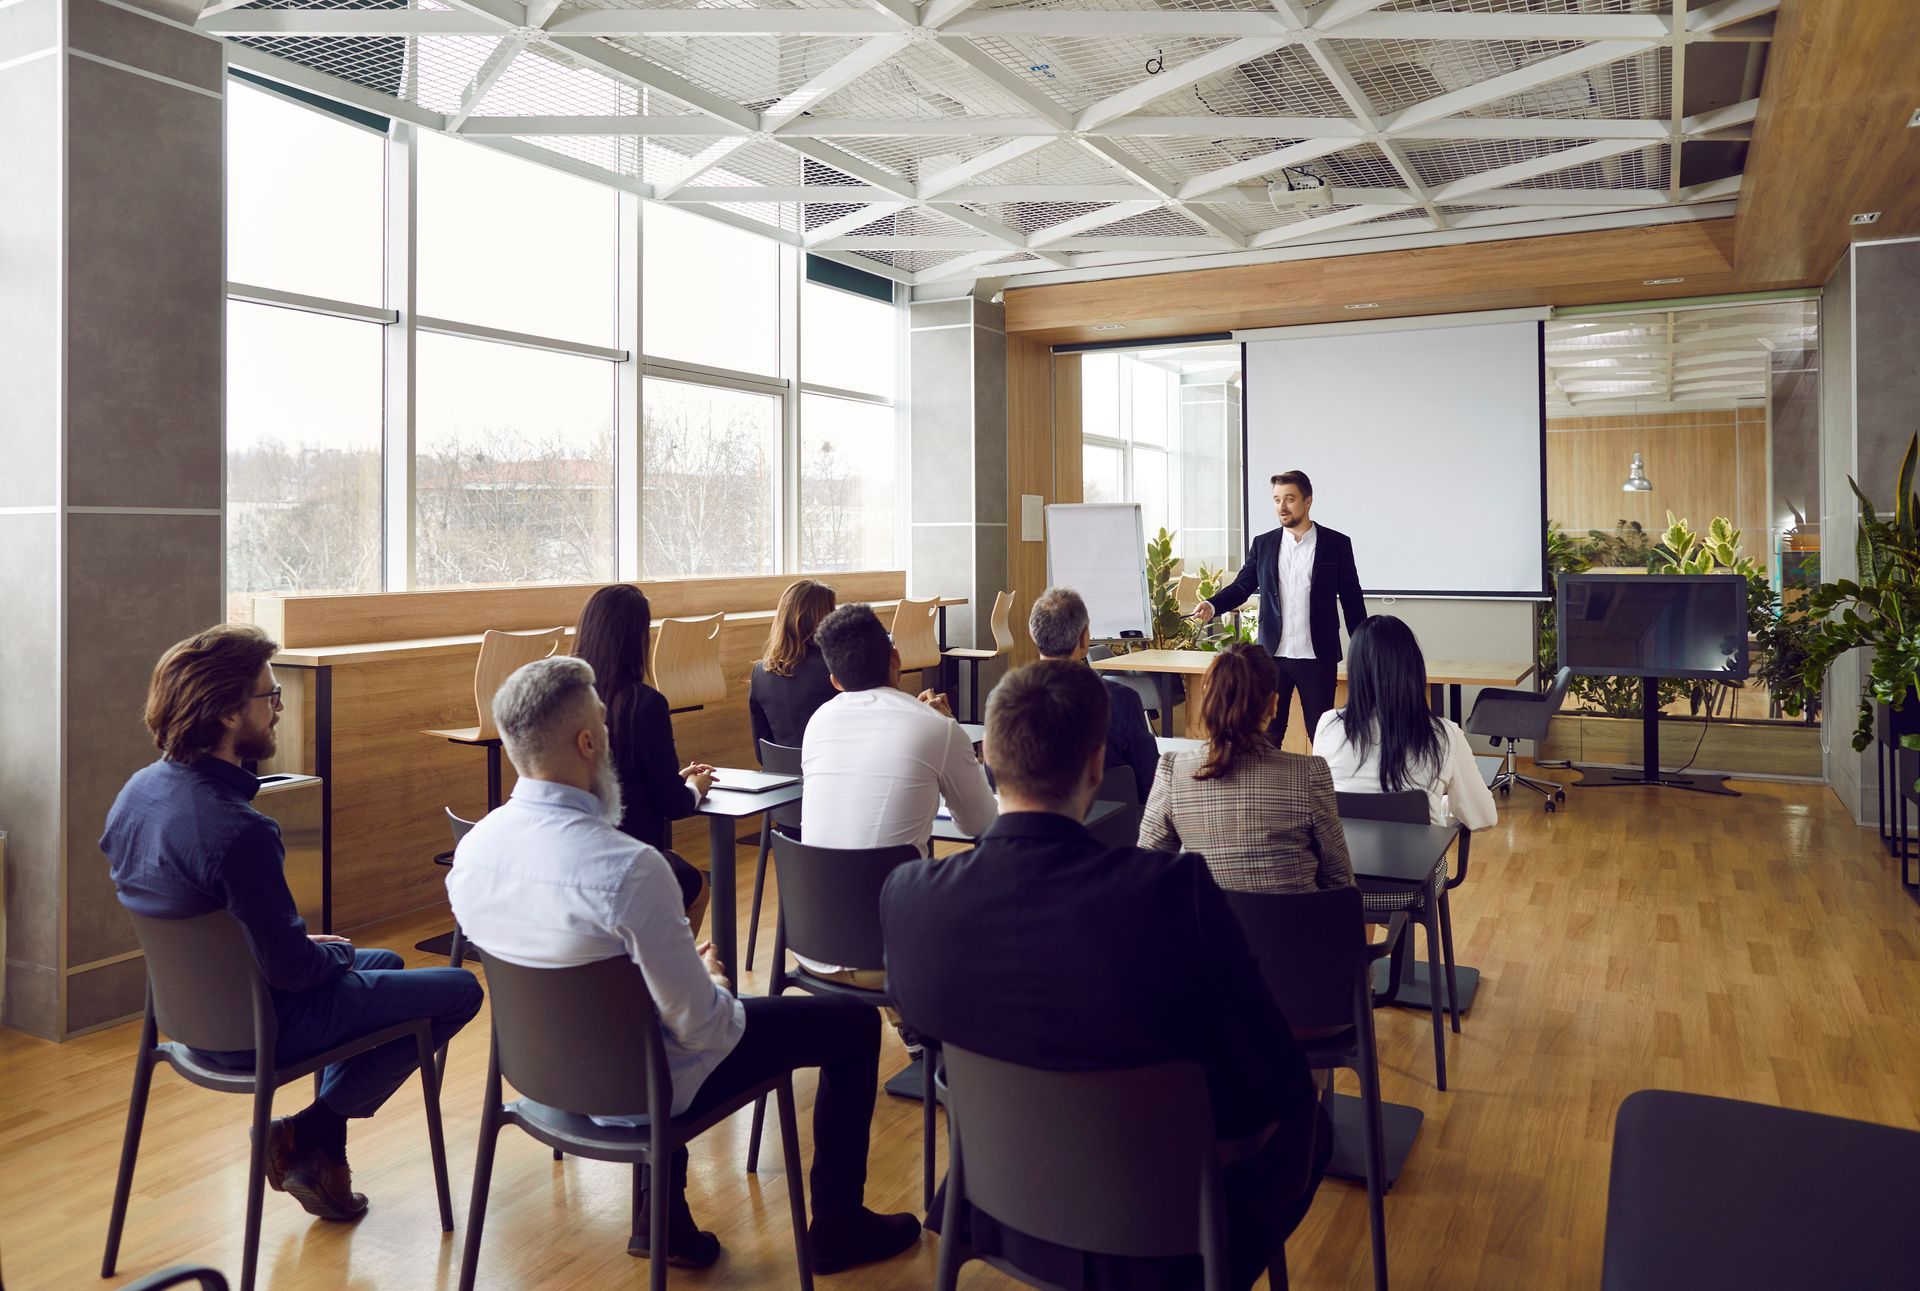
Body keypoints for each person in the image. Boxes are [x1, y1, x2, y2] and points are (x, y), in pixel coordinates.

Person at [447, 656, 920, 1273]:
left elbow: (573, 969)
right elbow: (707, 1031)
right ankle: (838, 1226)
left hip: (539, 1082)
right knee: (851, 1026)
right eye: (605, 733)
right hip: (641, 1087)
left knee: (651, 1011)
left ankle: (663, 1222)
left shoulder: (473, 852)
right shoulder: (628, 869)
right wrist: (712, 983)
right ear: (588, 742)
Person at [881, 660, 1329, 1291]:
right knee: (1312, 1124)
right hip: (1162, 1233)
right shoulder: (1174, 897)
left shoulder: (909, 897)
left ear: (986, 761)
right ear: (1097, 765)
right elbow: (1280, 1076)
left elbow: (925, 1027)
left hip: (1000, 1205)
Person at [100, 624, 483, 1222]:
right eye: (270, 696)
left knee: (381, 962)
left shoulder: (137, 794)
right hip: (259, 1030)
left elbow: (222, 933)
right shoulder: (239, 830)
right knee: (459, 990)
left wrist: (316, 950)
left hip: (184, 1024)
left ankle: (319, 1158)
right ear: (228, 712)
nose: (278, 711)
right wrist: (325, 951)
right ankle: (307, 1129)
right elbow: (294, 969)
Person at [1138, 642, 1352, 894]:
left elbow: (1146, 874)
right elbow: (1340, 882)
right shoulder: (1309, 774)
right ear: (1273, 705)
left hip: (1209, 931)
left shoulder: (1174, 772)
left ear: (1209, 701)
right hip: (1295, 931)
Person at [801, 602, 997, 859]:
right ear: (896, 657)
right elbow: (980, 823)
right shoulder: (937, 728)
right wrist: (947, 726)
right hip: (895, 895)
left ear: (835, 682)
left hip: (811, 894)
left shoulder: (818, 722)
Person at [573, 584, 714, 934]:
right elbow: (674, 805)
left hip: (575, 864)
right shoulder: (643, 703)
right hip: (630, 867)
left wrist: (673, 776)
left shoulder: (567, 699)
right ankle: (667, 980)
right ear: (637, 639)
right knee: (696, 884)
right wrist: (694, 786)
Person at [1195, 469, 1366, 744]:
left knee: (1322, 736)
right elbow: (1242, 587)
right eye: (1276, 500)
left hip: (1317, 658)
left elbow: (1351, 599)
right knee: (1267, 736)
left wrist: (1363, 648)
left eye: (1289, 499)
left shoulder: (1336, 544)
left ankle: (1323, 787)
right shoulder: (1264, 544)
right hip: (1272, 658)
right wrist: (1213, 605)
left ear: (1307, 501)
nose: (1282, 507)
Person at [1312, 614, 1497, 830]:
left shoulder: (1328, 725)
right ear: (1414, 668)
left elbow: (1321, 805)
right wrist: (1441, 806)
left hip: (1344, 863)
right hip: (1419, 864)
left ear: (1356, 671)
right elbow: (1484, 819)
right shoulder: (1445, 735)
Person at [1027, 585, 1158, 802]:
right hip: (1112, 831)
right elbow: (1150, 781)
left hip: (1032, 830)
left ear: (1034, 634)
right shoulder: (1120, 701)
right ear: (1085, 640)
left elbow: (997, 780)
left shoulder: (1003, 701)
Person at [748, 578, 839, 753]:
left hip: (780, 773)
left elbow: (761, 751)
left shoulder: (760, 672)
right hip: (832, 771)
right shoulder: (837, 669)